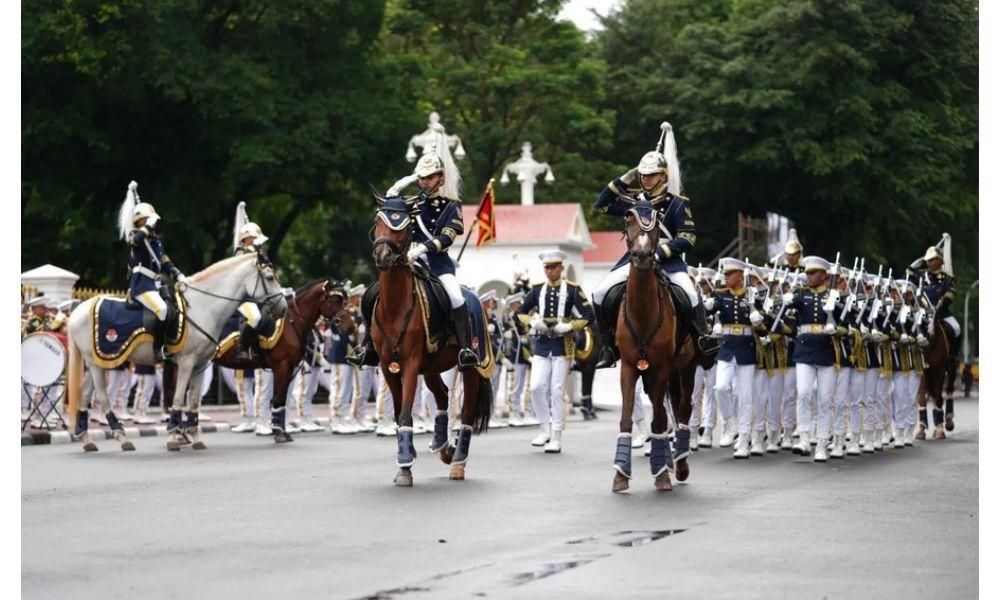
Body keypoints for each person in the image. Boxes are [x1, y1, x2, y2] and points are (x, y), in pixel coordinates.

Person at [350, 126, 477, 369]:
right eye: (421, 178)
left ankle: (464, 349)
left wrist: (424, 248)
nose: (424, 182)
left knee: (455, 296)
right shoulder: (412, 201)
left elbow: (449, 235)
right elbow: (390, 213)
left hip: (437, 263)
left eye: (429, 178)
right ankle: (367, 345)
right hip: (407, 263)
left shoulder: (452, 204)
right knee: (373, 294)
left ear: (440, 178)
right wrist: (396, 189)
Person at [591, 122, 715, 369]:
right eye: (643, 176)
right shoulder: (634, 203)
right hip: (635, 259)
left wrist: (661, 252)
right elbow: (601, 205)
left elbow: (688, 238)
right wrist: (622, 180)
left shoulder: (677, 204)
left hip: (668, 261)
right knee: (599, 293)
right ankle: (607, 346)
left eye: (652, 176)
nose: (646, 180)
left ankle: (703, 342)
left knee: (691, 295)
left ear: (663, 176)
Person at [517, 251, 595, 453]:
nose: (550, 271)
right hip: (542, 344)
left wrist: (569, 326)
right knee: (535, 387)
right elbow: (521, 312)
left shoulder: (572, 289)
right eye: (547, 267)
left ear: (561, 268)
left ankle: (556, 435)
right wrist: (535, 322)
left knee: (557, 390)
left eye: (553, 267)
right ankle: (544, 428)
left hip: (563, 346)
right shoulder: (536, 290)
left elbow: (589, 316)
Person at [781, 256, 840, 462]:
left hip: (826, 350)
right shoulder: (801, 294)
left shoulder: (834, 296)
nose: (808, 276)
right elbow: (788, 315)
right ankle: (804, 437)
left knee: (824, 400)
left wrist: (836, 326)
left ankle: (822, 442)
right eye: (806, 273)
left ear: (824, 275)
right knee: (804, 393)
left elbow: (848, 326)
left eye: (813, 273)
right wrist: (785, 299)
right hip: (804, 350)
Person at [118, 180, 186, 361]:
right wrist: (147, 227)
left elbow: (164, 260)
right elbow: (135, 242)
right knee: (162, 309)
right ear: (140, 220)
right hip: (141, 285)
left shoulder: (155, 239)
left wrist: (177, 273)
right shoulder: (136, 234)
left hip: (155, 284)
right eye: (149, 220)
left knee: (174, 308)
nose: (153, 224)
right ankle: (158, 349)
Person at [706, 259, 767, 459]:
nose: (725, 278)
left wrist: (757, 321)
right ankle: (730, 424)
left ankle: (743, 440)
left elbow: (763, 328)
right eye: (724, 274)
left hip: (746, 349)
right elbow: (710, 312)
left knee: (745, 396)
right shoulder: (720, 296)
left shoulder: (752, 297)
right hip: (727, 348)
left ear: (740, 276)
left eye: (729, 274)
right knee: (720, 387)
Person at [231, 202, 271, 362]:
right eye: (255, 238)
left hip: (259, 295)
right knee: (254, 317)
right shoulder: (241, 253)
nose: (258, 241)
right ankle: (242, 347)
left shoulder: (259, 253)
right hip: (244, 296)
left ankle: (260, 347)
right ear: (247, 238)